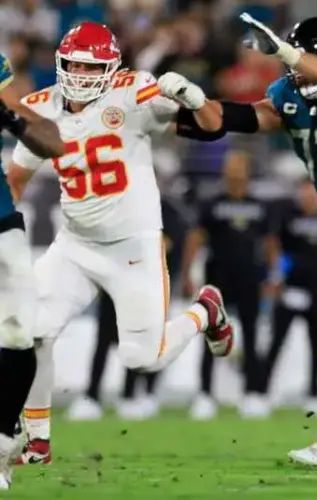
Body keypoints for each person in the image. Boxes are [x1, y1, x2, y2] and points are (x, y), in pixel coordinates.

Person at [166, 15, 317, 464]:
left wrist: (289, 53)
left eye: (304, 60)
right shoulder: (291, 98)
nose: (295, 70)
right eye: (291, 60)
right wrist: (192, 101)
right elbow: (234, 117)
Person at [8, 21, 234, 465]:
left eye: (90, 67)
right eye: (72, 64)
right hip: (75, 244)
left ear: (112, 69)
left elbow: (212, 126)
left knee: (142, 359)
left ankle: (205, 310)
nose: (79, 74)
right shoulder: (41, 107)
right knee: (33, 331)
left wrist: (195, 97)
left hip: (133, 246)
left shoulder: (134, 94)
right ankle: (37, 439)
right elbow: (15, 180)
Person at [0, 51, 65, 490]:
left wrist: (7, 115)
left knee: (20, 334)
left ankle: (2, 444)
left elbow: (53, 142)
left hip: (0, 223)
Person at [66, 198, 188, 421]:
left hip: (144, 287)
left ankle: (129, 395)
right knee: (103, 341)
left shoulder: (164, 209)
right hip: (114, 283)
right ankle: (92, 396)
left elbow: (170, 244)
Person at [182, 150, 276, 420]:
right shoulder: (210, 203)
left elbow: (270, 244)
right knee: (210, 336)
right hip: (217, 278)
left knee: (251, 334)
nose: (234, 172)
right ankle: (204, 395)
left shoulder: (260, 206)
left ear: (247, 171)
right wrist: (188, 273)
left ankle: (252, 394)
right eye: (230, 167)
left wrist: (272, 276)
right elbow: (196, 238)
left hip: (251, 277)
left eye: (239, 166)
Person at [253, 177, 317, 413]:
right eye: (306, 193)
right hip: (289, 288)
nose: (310, 198)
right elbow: (273, 244)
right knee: (276, 342)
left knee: (316, 346)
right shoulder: (287, 216)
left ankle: (313, 393)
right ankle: (261, 393)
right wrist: (276, 275)